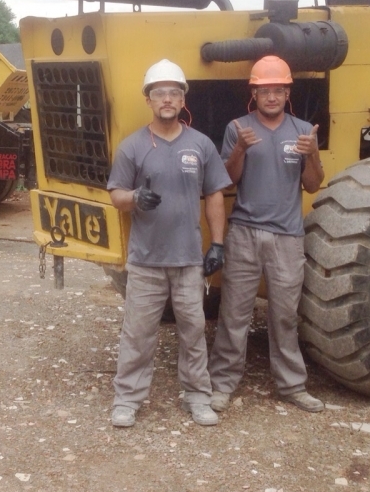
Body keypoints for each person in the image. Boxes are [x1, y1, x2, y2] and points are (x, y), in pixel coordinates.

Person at [107, 59, 232, 428]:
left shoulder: (201, 145)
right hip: (146, 261)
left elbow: (214, 196)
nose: (167, 98)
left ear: (182, 100)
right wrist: (135, 199)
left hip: (188, 259)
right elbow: (116, 194)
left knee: (193, 331)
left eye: (173, 92)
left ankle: (198, 397)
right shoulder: (133, 146)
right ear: (149, 100)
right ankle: (127, 399)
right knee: (138, 333)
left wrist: (218, 245)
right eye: (159, 92)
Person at [208, 55, 326, 413]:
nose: (271, 97)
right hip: (244, 232)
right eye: (264, 91)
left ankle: (291, 386)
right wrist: (241, 147)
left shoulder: (303, 131)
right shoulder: (237, 128)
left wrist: (313, 155)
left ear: (287, 92)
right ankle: (222, 383)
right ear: (254, 94)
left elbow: (313, 184)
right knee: (234, 313)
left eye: (278, 90)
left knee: (285, 315)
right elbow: (228, 179)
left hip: (288, 237)